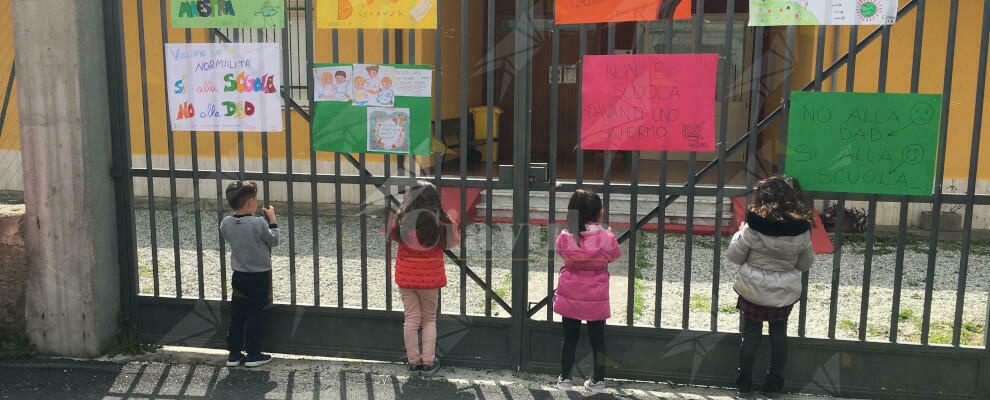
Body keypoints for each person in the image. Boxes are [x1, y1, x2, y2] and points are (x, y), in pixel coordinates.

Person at [726, 176, 815, 398]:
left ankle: (744, 383)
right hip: (784, 293)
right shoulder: (802, 230)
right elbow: (805, 264)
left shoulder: (753, 227)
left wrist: (740, 232)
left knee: (751, 335)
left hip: (753, 290)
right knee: (779, 335)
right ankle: (774, 383)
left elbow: (735, 257)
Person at [387, 180, 458, 375]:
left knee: (410, 318)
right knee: (428, 319)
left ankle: (413, 362)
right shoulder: (440, 221)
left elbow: (392, 236)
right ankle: (428, 362)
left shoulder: (400, 219)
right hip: (429, 279)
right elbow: (451, 243)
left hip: (406, 279)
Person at [553, 189, 620, 394]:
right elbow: (615, 255)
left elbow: (560, 251)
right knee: (598, 339)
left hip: (570, 292)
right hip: (596, 295)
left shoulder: (565, 238)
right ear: (600, 212)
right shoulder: (606, 238)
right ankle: (598, 381)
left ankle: (565, 378)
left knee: (569, 338)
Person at [220, 181, 279, 368]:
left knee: (237, 313)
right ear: (250, 202)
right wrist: (273, 220)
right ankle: (253, 354)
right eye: (255, 199)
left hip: (239, 276)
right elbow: (274, 240)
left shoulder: (226, 223)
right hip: (259, 276)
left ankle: (234, 353)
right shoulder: (258, 222)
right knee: (255, 313)